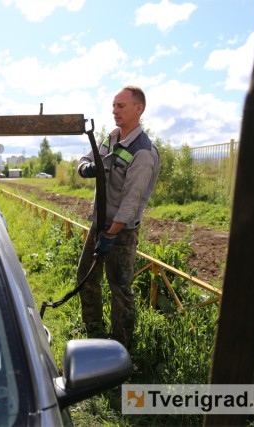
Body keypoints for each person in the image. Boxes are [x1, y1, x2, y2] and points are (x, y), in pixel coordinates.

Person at [76, 85, 160, 350]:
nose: (114, 111)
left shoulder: (143, 152)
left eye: (120, 106)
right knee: (86, 276)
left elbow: (131, 201)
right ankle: (93, 329)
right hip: (99, 224)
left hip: (120, 232)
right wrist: (84, 167)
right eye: (113, 106)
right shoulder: (111, 138)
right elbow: (86, 158)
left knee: (120, 289)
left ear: (139, 108)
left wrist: (112, 234)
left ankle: (121, 347)